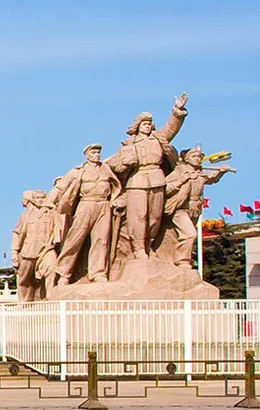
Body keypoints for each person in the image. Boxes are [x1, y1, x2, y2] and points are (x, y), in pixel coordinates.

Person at [106, 94, 187, 261]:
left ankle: (149, 246)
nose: (147, 126)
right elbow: (111, 165)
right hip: (137, 181)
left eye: (149, 124)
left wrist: (177, 111)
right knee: (138, 217)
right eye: (144, 123)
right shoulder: (129, 145)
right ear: (137, 126)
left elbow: (171, 128)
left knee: (155, 217)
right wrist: (125, 163)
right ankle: (138, 249)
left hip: (157, 179)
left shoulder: (159, 139)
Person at [52, 144, 123, 285]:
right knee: (75, 239)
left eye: (98, 152)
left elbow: (116, 186)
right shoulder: (78, 171)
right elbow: (60, 188)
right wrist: (49, 202)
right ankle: (64, 274)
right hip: (86, 204)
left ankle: (98, 273)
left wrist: (115, 199)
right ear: (87, 155)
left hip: (103, 205)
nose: (97, 155)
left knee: (101, 240)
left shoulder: (106, 169)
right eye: (94, 152)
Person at [163, 147, 235, 268]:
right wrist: (180, 181)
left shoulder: (200, 172)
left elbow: (211, 179)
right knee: (189, 234)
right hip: (180, 208)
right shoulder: (178, 172)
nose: (197, 159)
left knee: (181, 236)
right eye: (194, 156)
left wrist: (221, 172)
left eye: (199, 157)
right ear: (186, 159)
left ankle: (173, 259)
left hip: (194, 208)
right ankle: (182, 261)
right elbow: (164, 189)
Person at [11, 190, 61, 303]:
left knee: (52, 268)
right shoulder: (25, 216)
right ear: (33, 200)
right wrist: (14, 252)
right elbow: (17, 233)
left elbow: (60, 225)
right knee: (24, 279)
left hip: (46, 250)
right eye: (38, 198)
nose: (40, 200)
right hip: (28, 251)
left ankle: (51, 299)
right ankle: (24, 302)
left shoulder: (52, 213)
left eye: (43, 198)